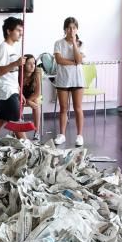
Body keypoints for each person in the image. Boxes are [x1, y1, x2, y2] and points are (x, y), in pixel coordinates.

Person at [0, 17, 27, 139]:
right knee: (17, 125)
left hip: (12, 90)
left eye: (22, 31)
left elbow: (13, 74)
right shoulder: (3, 48)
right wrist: (15, 63)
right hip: (7, 92)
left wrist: (20, 91)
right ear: (8, 31)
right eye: (18, 30)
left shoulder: (13, 49)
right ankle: (31, 151)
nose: (21, 33)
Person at [52, 17, 85, 147]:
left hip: (77, 79)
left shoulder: (81, 43)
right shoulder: (58, 43)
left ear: (77, 29)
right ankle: (62, 135)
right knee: (63, 108)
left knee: (78, 108)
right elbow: (59, 60)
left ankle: (79, 135)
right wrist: (74, 63)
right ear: (65, 29)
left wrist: (74, 44)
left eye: (74, 28)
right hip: (63, 79)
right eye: (69, 28)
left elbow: (79, 59)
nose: (71, 30)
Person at [21, 54, 43, 142]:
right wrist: (25, 101)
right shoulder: (20, 74)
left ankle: (36, 131)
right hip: (21, 95)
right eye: (29, 63)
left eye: (34, 63)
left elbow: (38, 93)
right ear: (24, 65)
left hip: (33, 96)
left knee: (36, 104)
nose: (32, 66)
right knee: (18, 103)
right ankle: (18, 130)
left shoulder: (36, 73)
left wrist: (29, 101)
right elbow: (17, 90)